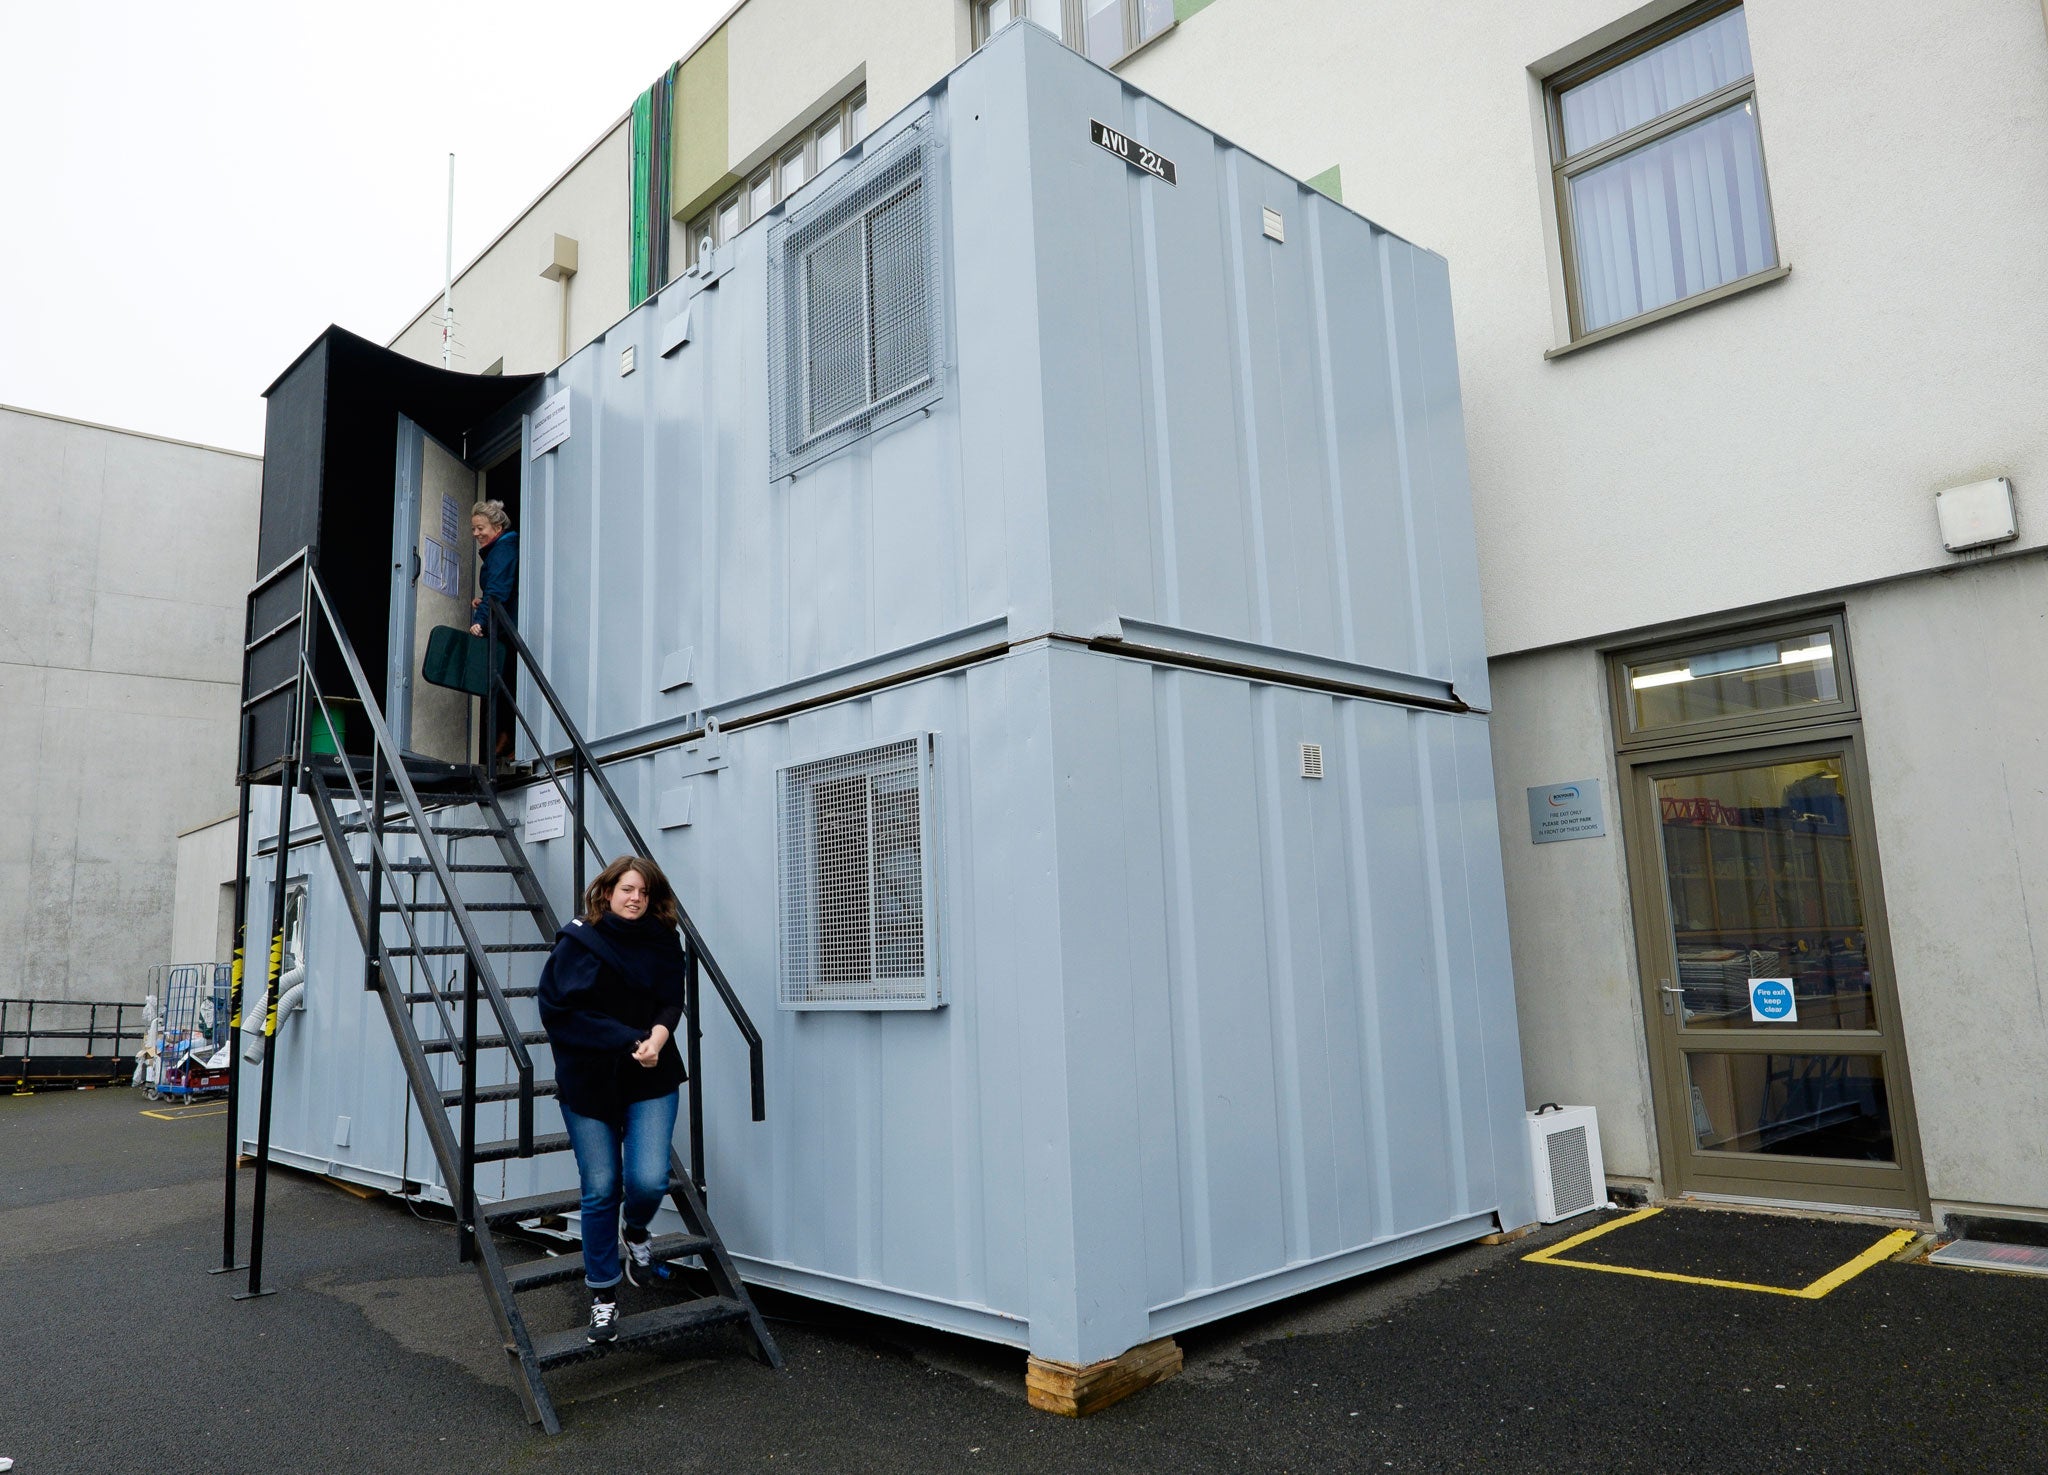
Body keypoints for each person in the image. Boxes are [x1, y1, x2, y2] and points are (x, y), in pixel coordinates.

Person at [537, 855, 688, 1343]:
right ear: (606, 892)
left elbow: (672, 997)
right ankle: (603, 1294)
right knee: (602, 1187)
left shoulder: (662, 940)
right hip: (590, 1080)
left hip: (651, 1072)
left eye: (643, 892)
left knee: (645, 1181)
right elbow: (561, 1014)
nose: (635, 898)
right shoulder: (578, 942)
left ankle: (638, 1233)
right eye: (626, 889)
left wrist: (660, 1037)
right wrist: (629, 1039)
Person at [468, 500, 519, 759]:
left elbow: (497, 590)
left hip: (505, 631)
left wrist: (480, 619)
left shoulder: (502, 549)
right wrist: (483, 604)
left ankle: (505, 744)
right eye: (473, 529)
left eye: (480, 528)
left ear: (497, 526)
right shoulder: (502, 548)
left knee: (502, 685)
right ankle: (502, 744)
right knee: (500, 684)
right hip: (503, 627)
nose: (476, 534)